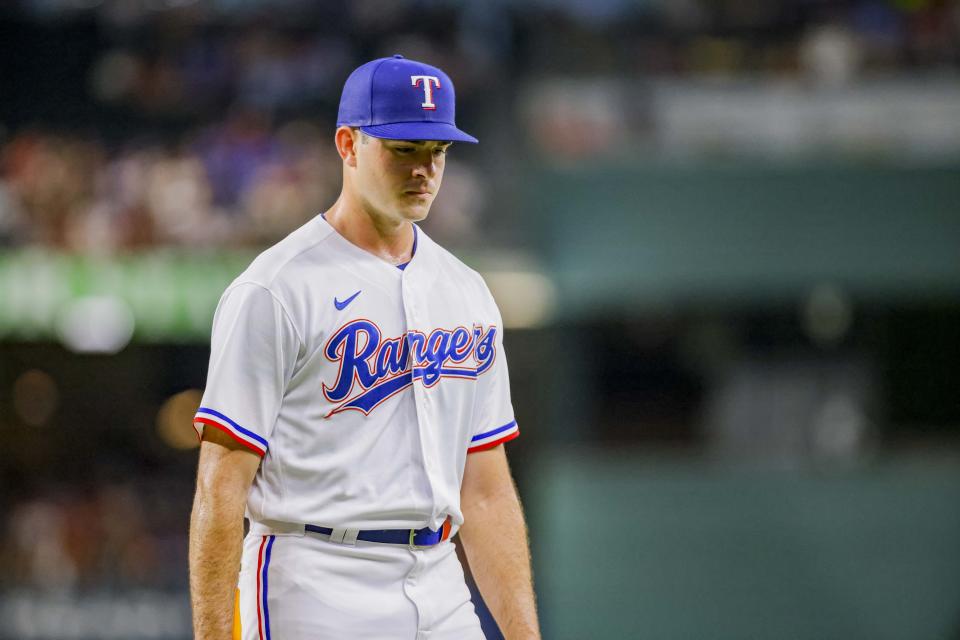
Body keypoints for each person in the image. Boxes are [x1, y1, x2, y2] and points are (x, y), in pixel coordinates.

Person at [188, 55, 541, 640]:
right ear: (348, 145)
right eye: (404, 148)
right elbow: (220, 487)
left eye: (439, 151)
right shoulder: (274, 289)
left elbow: (484, 490)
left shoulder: (468, 291)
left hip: (439, 581)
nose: (425, 169)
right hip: (314, 579)